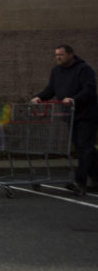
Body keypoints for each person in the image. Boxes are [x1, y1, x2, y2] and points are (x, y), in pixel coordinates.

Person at [30, 45, 98, 195]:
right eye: (56, 55)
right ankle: (96, 177)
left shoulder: (83, 69)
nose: (58, 58)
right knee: (85, 148)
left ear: (71, 55)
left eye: (61, 55)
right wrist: (39, 97)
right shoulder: (56, 71)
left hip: (87, 115)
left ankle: (79, 182)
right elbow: (51, 90)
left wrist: (74, 99)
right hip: (70, 115)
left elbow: (89, 89)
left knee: (84, 148)